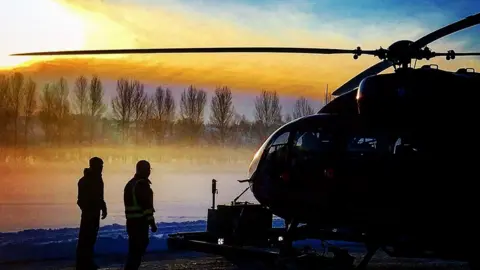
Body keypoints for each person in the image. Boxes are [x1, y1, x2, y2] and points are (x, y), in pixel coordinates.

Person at [124, 160, 157, 270]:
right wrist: (152, 223)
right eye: (148, 169)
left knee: (134, 250)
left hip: (131, 223)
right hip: (140, 224)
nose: (149, 172)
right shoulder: (142, 185)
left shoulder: (130, 184)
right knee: (138, 250)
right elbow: (146, 207)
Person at [76, 157, 108, 270]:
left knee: (91, 238)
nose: (102, 168)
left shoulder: (98, 180)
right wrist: (88, 210)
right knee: (85, 238)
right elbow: (80, 200)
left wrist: (103, 207)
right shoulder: (85, 181)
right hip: (88, 214)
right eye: (100, 165)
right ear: (93, 166)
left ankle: (88, 261)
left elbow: (100, 197)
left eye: (102, 165)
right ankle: (82, 263)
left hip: (95, 214)